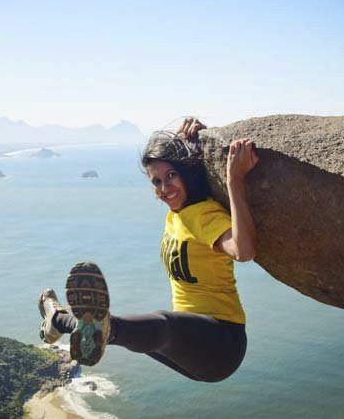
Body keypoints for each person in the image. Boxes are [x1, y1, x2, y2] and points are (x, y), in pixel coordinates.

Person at [37, 117, 258, 382]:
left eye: (171, 176)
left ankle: (98, 328)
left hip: (222, 343)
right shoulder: (176, 215)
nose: (164, 188)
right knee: (130, 332)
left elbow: (243, 251)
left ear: (187, 172)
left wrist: (235, 181)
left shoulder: (204, 215)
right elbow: (174, 166)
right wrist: (180, 140)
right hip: (188, 353)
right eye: (156, 182)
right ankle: (58, 320)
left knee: (156, 325)